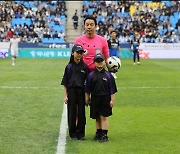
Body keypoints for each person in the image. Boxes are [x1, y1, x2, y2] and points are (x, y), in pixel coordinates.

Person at [85, 53, 117, 142]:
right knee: (97, 117)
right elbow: (87, 89)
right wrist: (87, 99)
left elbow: (112, 89)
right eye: (97, 62)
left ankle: (104, 134)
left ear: (104, 62)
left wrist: (112, 100)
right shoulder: (90, 75)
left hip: (105, 99)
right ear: (94, 63)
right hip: (95, 99)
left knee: (104, 117)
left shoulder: (108, 76)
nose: (99, 64)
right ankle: (98, 133)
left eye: (101, 62)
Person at [61, 44, 89, 140]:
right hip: (72, 92)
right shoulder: (68, 67)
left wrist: (86, 96)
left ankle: (81, 133)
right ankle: (72, 133)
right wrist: (65, 96)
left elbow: (87, 83)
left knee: (81, 113)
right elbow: (65, 82)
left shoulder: (85, 67)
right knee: (72, 112)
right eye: (77, 52)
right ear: (72, 53)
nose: (79, 55)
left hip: (81, 92)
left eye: (81, 53)